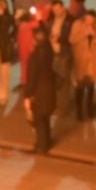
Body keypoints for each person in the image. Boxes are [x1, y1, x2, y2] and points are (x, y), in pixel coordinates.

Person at [24, 26, 58, 154]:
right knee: (46, 117)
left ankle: (41, 146)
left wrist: (27, 95)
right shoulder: (48, 50)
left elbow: (31, 78)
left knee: (39, 119)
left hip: (39, 91)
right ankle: (47, 141)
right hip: (50, 88)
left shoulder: (35, 57)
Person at [67, 7, 96, 121]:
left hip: (92, 63)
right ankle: (79, 112)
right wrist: (84, 33)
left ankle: (89, 109)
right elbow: (71, 39)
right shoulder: (77, 24)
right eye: (88, 19)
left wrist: (95, 36)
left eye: (92, 20)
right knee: (80, 87)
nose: (90, 22)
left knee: (91, 87)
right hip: (80, 61)